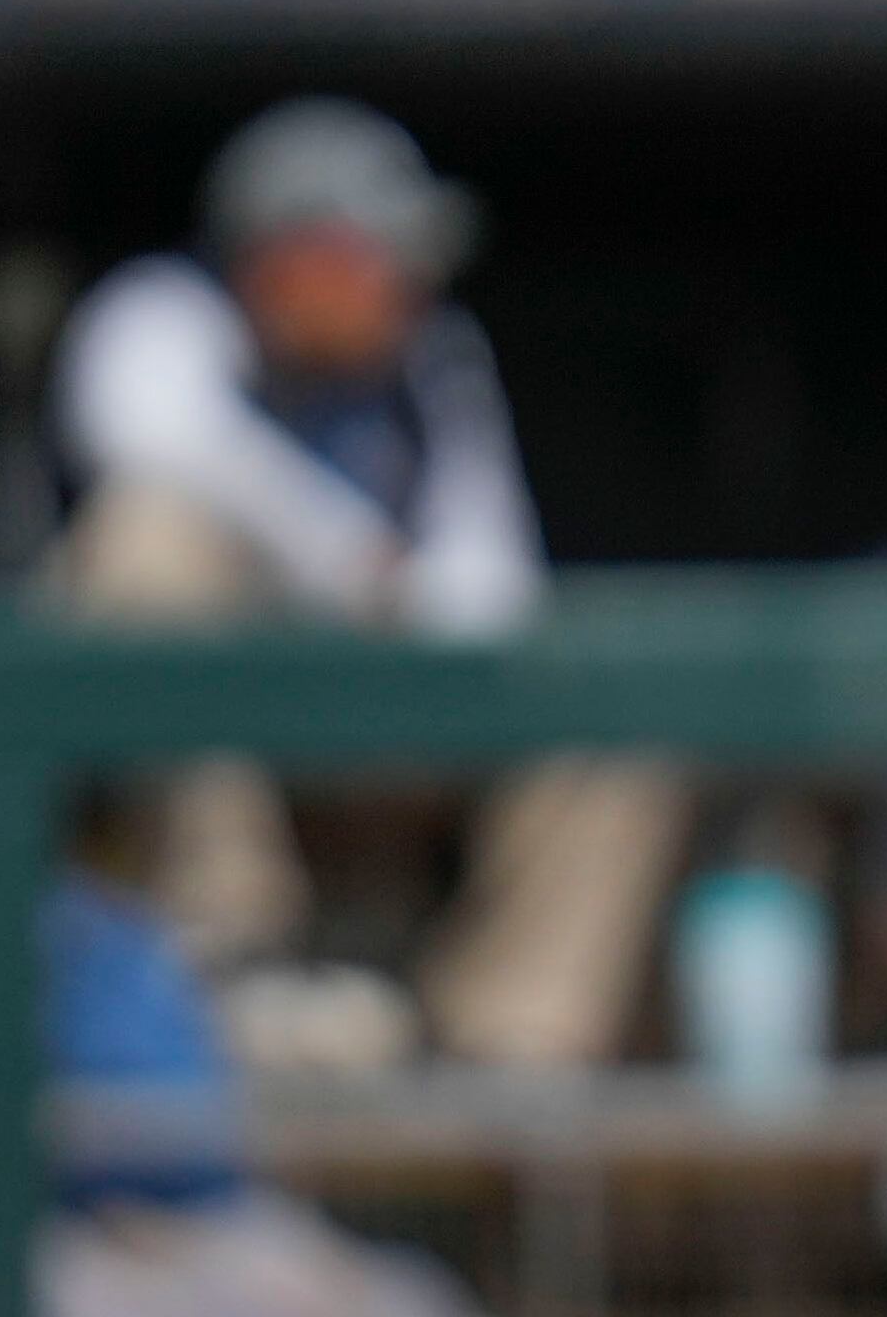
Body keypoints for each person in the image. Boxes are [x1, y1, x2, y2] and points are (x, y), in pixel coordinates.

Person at [54, 99, 684, 1072]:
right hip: (199, 733)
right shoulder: (161, 313)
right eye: (379, 252)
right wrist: (354, 566)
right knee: (145, 542)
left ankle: (513, 1047)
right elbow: (160, 446)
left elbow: (489, 581)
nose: (410, 280)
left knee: (608, 702)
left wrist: (402, 605)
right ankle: (233, 943)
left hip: (371, 713)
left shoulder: (434, 361)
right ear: (290, 257)